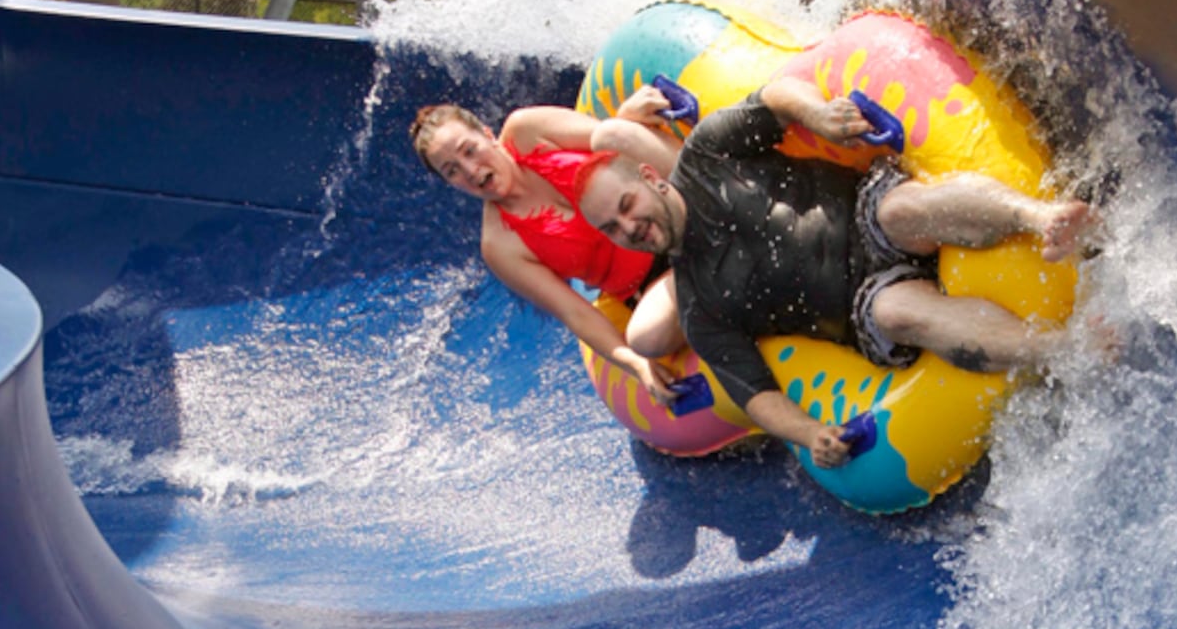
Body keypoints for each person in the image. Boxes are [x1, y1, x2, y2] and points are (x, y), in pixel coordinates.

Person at [576, 76, 1097, 470]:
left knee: (900, 211)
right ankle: (1068, 349)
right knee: (898, 310)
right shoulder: (698, 305)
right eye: (613, 229)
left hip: (866, 211)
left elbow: (774, 98)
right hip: (862, 304)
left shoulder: (708, 151)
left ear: (649, 179)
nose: (629, 226)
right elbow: (758, 398)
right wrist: (810, 435)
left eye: (626, 205)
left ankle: (1042, 219)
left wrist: (820, 115)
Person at [411, 87, 687, 404]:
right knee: (646, 339)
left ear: (488, 134)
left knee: (614, 131)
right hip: (657, 283)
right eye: (452, 171)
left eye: (469, 150)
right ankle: (706, 271)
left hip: (665, 209)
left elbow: (607, 137)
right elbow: (575, 312)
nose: (471, 171)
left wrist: (627, 119)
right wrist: (635, 364)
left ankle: (716, 185)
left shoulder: (527, 130)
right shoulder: (500, 244)